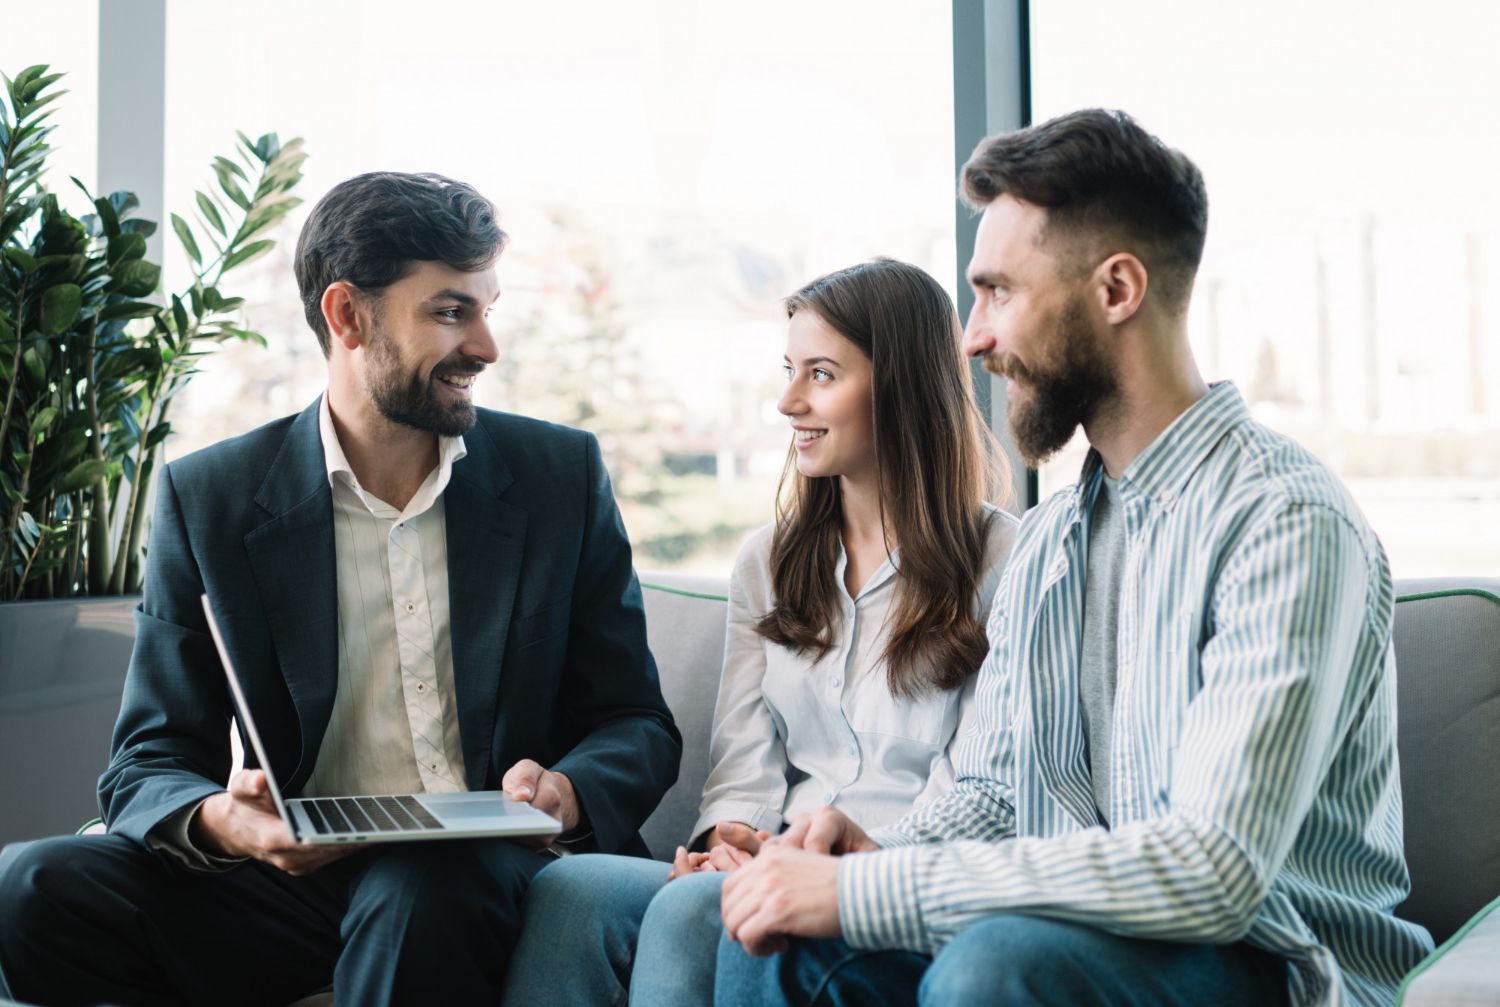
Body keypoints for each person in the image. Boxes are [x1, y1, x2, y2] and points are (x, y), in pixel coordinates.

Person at [713, 110, 1435, 1007]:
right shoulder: (1054, 538)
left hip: (1271, 963)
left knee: (998, 963)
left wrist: (871, 892)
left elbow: (1214, 870)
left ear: (1118, 288)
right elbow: (993, 791)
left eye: (998, 293)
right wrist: (870, 854)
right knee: (771, 935)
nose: (973, 339)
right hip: (1076, 943)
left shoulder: (1283, 519)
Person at [0, 171, 681, 1007]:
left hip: (488, 865)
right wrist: (226, 819)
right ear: (347, 315)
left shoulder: (557, 476)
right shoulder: (209, 496)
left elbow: (635, 722)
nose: (485, 347)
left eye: (486, 309)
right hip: (301, 881)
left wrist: (565, 789)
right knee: (28, 884)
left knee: (424, 886)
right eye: (449, 311)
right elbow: (148, 759)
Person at [500, 258, 1019, 1006]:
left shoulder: (1003, 560)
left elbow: (978, 785)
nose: (787, 401)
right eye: (788, 370)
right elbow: (743, 766)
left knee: (685, 912)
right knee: (573, 887)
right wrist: (725, 845)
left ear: (903, 388)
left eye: (821, 374)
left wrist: (811, 863)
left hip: (891, 877)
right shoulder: (768, 562)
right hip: (775, 859)